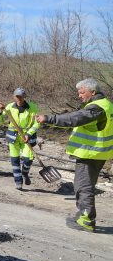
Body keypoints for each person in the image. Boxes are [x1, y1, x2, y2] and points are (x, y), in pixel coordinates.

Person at [37, 78, 112, 232]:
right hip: (98, 153)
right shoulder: (106, 105)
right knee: (86, 185)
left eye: (82, 92)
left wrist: (48, 119)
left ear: (93, 92)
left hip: (90, 153)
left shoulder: (96, 108)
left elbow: (74, 119)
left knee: (83, 186)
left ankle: (86, 220)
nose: (79, 95)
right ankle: (83, 216)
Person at [0, 87, 40, 190]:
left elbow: (37, 123)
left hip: (27, 138)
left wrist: (28, 134)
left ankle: (25, 173)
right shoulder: (9, 107)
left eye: (21, 96)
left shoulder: (32, 107)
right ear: (14, 97)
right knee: (15, 160)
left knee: (28, 159)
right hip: (13, 137)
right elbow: (0, 122)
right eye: (17, 96)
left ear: (24, 97)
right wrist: (0, 112)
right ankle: (18, 181)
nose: (19, 98)